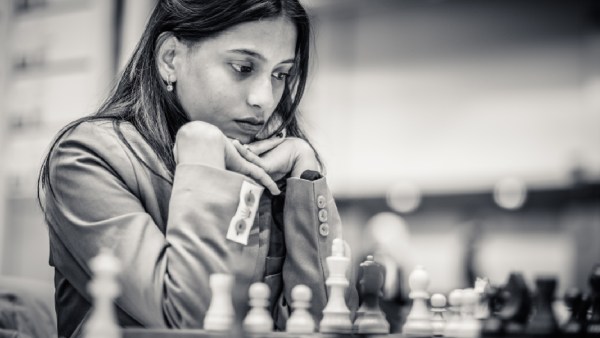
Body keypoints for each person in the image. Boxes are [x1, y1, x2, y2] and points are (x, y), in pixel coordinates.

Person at [37, 0, 358, 337]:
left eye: (281, 74)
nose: (264, 98)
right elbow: (190, 323)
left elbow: (327, 325)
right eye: (242, 67)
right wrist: (202, 162)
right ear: (170, 59)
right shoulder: (88, 156)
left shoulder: (268, 164)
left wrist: (306, 175)